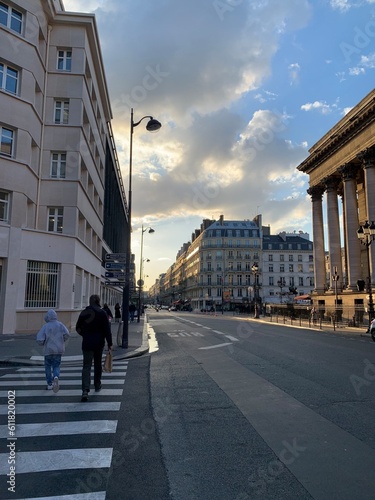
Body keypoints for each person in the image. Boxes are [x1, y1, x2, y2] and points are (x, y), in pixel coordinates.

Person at [76, 294, 112, 402]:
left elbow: (78, 328)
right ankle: (97, 384)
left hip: (87, 343)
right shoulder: (102, 313)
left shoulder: (84, 313)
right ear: (98, 301)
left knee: (86, 366)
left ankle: (85, 390)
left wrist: (85, 335)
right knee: (97, 364)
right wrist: (110, 343)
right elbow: (107, 330)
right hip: (98, 343)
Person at [36, 309, 70, 392]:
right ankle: (56, 376)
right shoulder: (60, 325)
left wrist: (43, 343)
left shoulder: (45, 326)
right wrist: (62, 340)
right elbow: (67, 334)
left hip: (48, 349)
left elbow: (40, 339)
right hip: (58, 349)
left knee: (47, 366)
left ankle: (49, 384)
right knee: (56, 365)